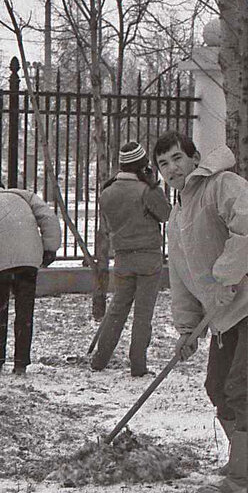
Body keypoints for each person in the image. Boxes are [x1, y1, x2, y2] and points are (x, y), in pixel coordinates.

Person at [153, 131, 248, 493]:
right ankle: (243, 459)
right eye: (163, 164)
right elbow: (181, 274)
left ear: (193, 158)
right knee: (217, 387)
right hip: (221, 316)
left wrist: (227, 276)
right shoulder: (177, 214)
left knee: (241, 388)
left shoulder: (223, 185)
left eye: (177, 158)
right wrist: (187, 328)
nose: (172, 168)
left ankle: (244, 478)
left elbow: (247, 229)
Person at [90, 141, 172, 377]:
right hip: (148, 257)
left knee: (117, 310)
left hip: (123, 258)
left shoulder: (107, 192)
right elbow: (165, 215)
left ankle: (99, 359)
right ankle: (138, 365)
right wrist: (154, 183)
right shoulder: (147, 190)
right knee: (143, 313)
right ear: (142, 165)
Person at [0, 178, 61, 375]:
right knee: (24, 311)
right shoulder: (24, 197)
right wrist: (50, 248)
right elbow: (48, 217)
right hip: (28, 259)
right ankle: (21, 363)